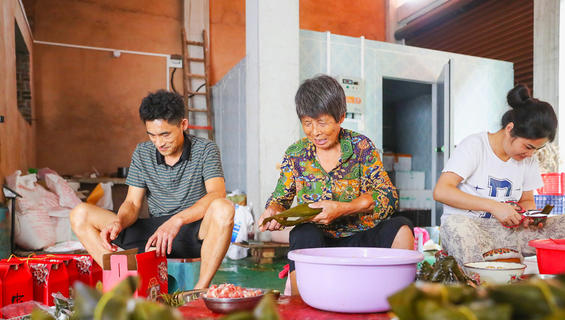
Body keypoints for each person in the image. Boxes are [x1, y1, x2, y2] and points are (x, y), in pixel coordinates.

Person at [258, 74, 414, 293]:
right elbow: (279, 200)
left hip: (359, 240)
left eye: (322, 123)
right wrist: (272, 211)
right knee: (303, 233)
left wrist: (343, 208)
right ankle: (302, 316)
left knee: (401, 228)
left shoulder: (362, 147)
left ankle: (394, 309)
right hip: (318, 243)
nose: (315, 132)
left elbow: (388, 196)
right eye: (307, 123)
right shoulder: (295, 154)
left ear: (340, 117)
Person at [70, 89, 235, 290]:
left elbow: (216, 193)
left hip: (191, 230)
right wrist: (118, 222)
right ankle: (123, 283)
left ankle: (199, 291)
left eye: (165, 134)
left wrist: (176, 221)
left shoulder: (206, 149)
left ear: (183, 125)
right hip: (153, 236)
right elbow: (132, 203)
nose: (159, 143)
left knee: (224, 207)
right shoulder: (143, 152)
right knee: (80, 214)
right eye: (152, 136)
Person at [433, 84, 565, 265]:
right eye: (528, 147)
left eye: (537, 149)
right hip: (472, 230)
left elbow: (526, 200)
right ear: (510, 129)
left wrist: (530, 216)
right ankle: (478, 286)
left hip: (512, 232)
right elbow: (442, 191)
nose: (531, 154)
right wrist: (494, 207)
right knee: (457, 227)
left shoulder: (528, 158)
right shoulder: (475, 145)